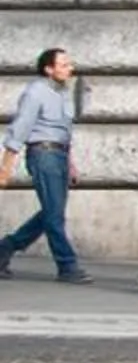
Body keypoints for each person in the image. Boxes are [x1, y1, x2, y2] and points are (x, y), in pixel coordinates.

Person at [0, 46, 89, 283]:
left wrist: (70, 164)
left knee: (52, 212)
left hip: (59, 155)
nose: (70, 69)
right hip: (42, 155)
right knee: (54, 214)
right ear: (49, 69)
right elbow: (20, 128)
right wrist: (6, 167)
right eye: (64, 65)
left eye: (70, 64)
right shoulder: (35, 92)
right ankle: (67, 266)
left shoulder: (63, 93)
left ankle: (4, 249)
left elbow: (65, 133)